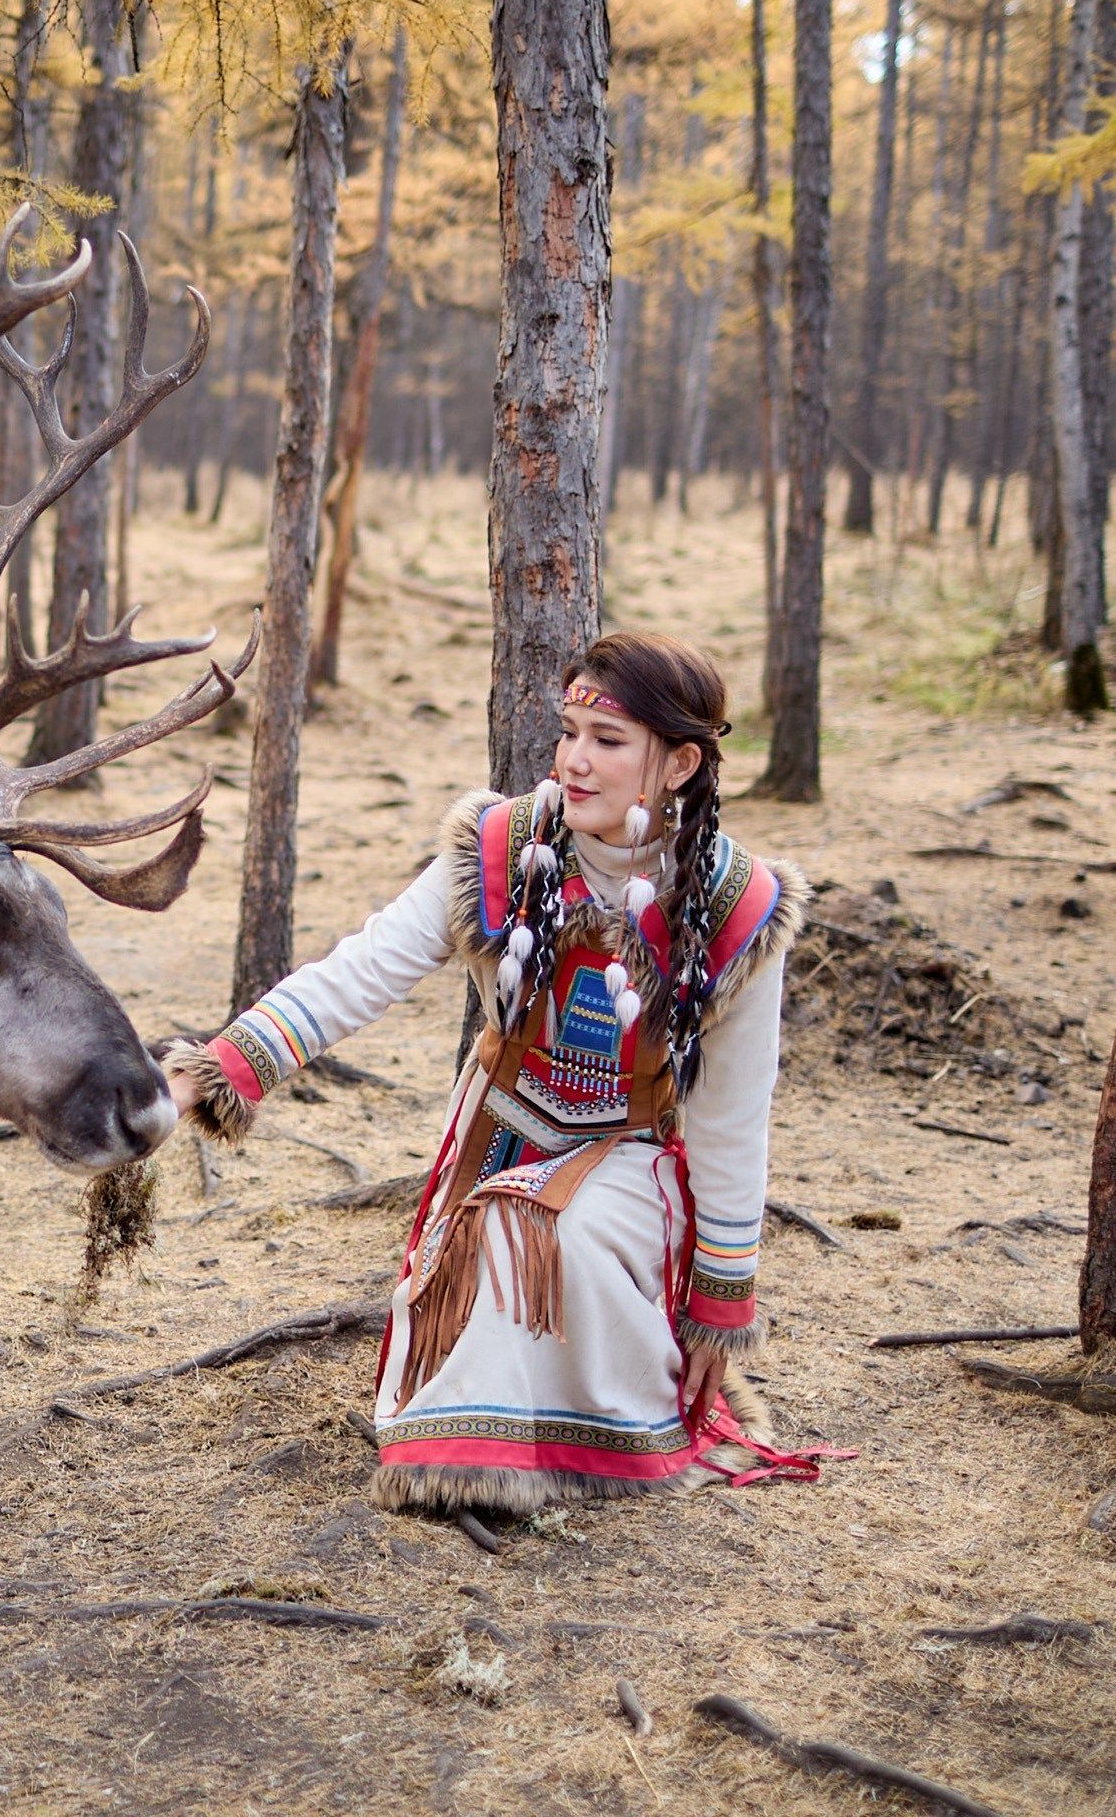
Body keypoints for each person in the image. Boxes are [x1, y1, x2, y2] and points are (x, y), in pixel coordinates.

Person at [168, 631, 819, 1513]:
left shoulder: (735, 906)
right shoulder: (502, 848)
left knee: (529, 1230)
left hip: (634, 1157)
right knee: (492, 1228)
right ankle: (481, 1440)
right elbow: (366, 967)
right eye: (570, 731)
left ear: (680, 765)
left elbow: (733, 1118)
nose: (575, 761)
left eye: (609, 740)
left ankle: (530, 1447)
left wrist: (720, 1304)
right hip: (499, 1130)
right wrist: (223, 1069)